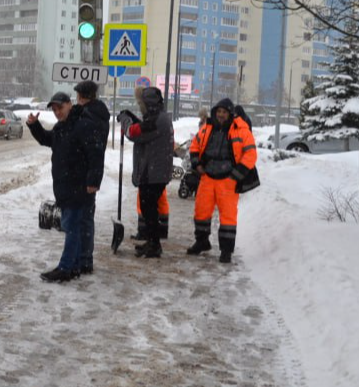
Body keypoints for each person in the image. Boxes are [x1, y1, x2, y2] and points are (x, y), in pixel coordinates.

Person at [27, 91, 103, 282]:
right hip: (65, 185)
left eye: (60, 108)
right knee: (74, 226)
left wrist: (93, 181)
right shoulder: (62, 127)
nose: (57, 112)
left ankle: (66, 267)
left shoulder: (83, 125)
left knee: (72, 227)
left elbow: (96, 154)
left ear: (70, 104)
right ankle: (76, 266)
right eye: (54, 109)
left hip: (78, 184)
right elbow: (47, 139)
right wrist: (34, 125)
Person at [187, 97, 258, 263]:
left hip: (228, 179)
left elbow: (250, 154)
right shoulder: (206, 128)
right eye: (218, 111)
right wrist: (197, 164)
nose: (220, 115)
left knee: (228, 217)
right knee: (201, 212)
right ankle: (202, 241)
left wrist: (237, 174)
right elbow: (194, 146)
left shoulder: (241, 130)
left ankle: (226, 251)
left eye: (224, 112)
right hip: (207, 177)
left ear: (230, 114)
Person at [117, 87, 175, 258]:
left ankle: (155, 245)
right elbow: (142, 127)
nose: (140, 106)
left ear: (148, 103)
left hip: (154, 173)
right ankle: (152, 241)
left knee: (149, 208)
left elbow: (134, 133)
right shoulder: (158, 117)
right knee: (148, 207)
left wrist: (126, 121)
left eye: (140, 103)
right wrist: (132, 117)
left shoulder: (157, 120)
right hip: (154, 171)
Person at [73, 79, 109, 274]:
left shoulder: (91, 117)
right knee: (85, 218)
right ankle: (84, 258)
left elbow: (95, 152)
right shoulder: (96, 113)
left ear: (81, 97)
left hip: (86, 176)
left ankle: (85, 261)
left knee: (84, 219)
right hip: (86, 174)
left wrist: (93, 180)